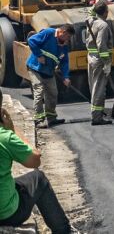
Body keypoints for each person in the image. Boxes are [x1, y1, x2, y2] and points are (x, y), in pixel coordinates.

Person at [0, 97, 72, 233]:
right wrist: (12, 130)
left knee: (16, 183)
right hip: (7, 214)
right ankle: (64, 231)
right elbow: (35, 159)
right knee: (39, 179)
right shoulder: (4, 137)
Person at [27, 25, 75, 129]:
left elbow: (64, 62)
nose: (68, 39)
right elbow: (31, 40)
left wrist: (66, 77)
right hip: (35, 68)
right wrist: (39, 55)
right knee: (39, 91)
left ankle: (51, 118)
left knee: (53, 93)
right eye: (68, 37)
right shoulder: (48, 33)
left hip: (48, 71)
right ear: (63, 32)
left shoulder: (64, 45)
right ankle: (38, 120)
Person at [85, 0, 113, 126]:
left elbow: (91, 13)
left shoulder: (91, 21)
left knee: (94, 86)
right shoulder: (103, 25)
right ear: (105, 12)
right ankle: (96, 117)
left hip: (91, 57)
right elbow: (102, 46)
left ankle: (97, 113)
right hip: (99, 60)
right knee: (99, 88)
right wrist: (107, 63)